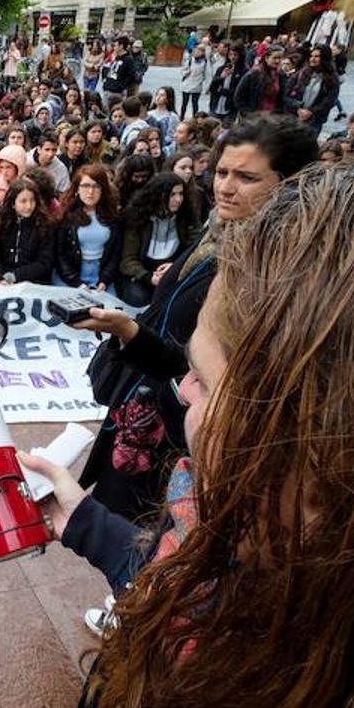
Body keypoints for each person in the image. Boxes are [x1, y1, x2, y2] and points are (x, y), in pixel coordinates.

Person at [25, 134, 354, 708]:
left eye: (209, 383)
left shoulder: (314, 700)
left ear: (337, 447)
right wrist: (85, 524)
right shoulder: (242, 527)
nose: (184, 391)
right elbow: (184, 576)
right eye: (221, 172)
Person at [75, 114, 319, 520]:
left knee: (149, 538)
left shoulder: (272, 273)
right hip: (142, 401)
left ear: (289, 184)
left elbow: (205, 372)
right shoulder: (218, 233)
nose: (225, 187)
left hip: (181, 434)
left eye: (246, 177)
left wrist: (132, 333)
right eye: (222, 171)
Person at [117, 172, 194, 306]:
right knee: (138, 298)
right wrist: (149, 277)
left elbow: (193, 248)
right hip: (141, 274)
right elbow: (128, 260)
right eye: (172, 195)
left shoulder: (185, 217)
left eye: (181, 194)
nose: (178, 199)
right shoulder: (138, 218)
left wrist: (176, 266)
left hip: (172, 270)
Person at [53, 164, 121, 290]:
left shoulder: (113, 216)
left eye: (96, 186)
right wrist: (76, 282)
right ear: (77, 189)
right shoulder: (66, 215)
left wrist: (105, 280)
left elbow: (115, 254)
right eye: (85, 186)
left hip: (100, 275)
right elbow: (60, 255)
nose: (91, 192)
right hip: (70, 276)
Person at [0, 178, 54, 285]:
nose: (29, 206)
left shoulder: (45, 225)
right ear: (13, 204)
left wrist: (15, 276)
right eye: (23, 201)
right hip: (3, 279)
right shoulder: (0, 224)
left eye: (32, 200)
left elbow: (44, 262)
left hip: (35, 281)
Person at [283, 45, 340, 130]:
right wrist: (297, 108)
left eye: (316, 56)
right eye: (311, 56)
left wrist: (311, 112)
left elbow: (330, 100)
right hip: (294, 117)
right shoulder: (301, 73)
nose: (312, 59)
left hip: (314, 121)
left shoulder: (332, 78)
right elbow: (286, 93)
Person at [232, 46, 284, 117]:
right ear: (266, 58)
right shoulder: (254, 74)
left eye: (280, 58)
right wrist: (249, 114)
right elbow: (238, 97)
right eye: (275, 58)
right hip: (254, 119)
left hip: (272, 118)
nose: (278, 61)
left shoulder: (280, 75)